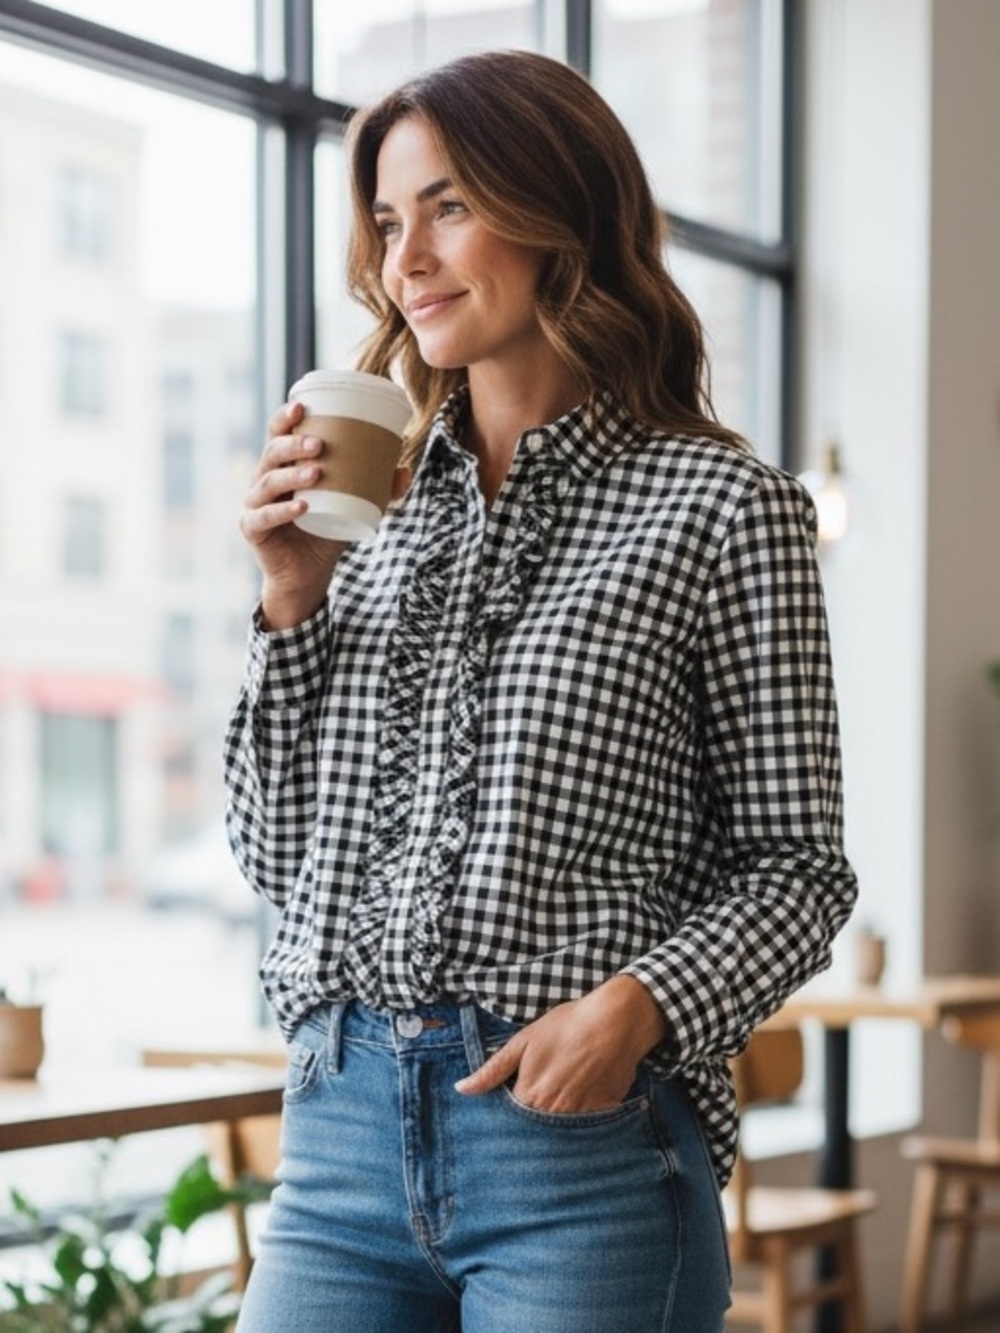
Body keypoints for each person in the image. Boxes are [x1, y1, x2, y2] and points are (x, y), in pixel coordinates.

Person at [225, 48, 858, 1333]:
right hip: (336, 1140)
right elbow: (275, 853)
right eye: (388, 222)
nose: (406, 260)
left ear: (560, 211)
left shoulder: (723, 508)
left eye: (449, 206)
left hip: (575, 1154)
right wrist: (290, 600)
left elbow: (798, 868)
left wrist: (637, 1008)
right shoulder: (366, 515)